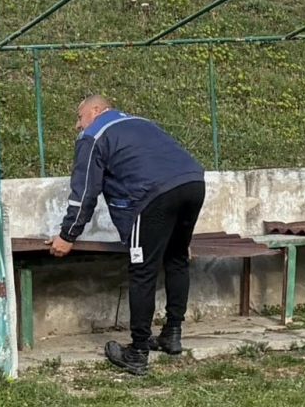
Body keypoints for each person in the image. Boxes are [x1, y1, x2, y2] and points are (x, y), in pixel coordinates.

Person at [49, 94, 207, 375]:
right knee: (177, 258)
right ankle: (172, 334)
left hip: (152, 196)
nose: (77, 125)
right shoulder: (142, 122)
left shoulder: (94, 135)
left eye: (79, 116)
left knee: (142, 270)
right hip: (193, 183)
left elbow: (85, 192)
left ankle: (137, 352)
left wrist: (67, 235)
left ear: (96, 110)